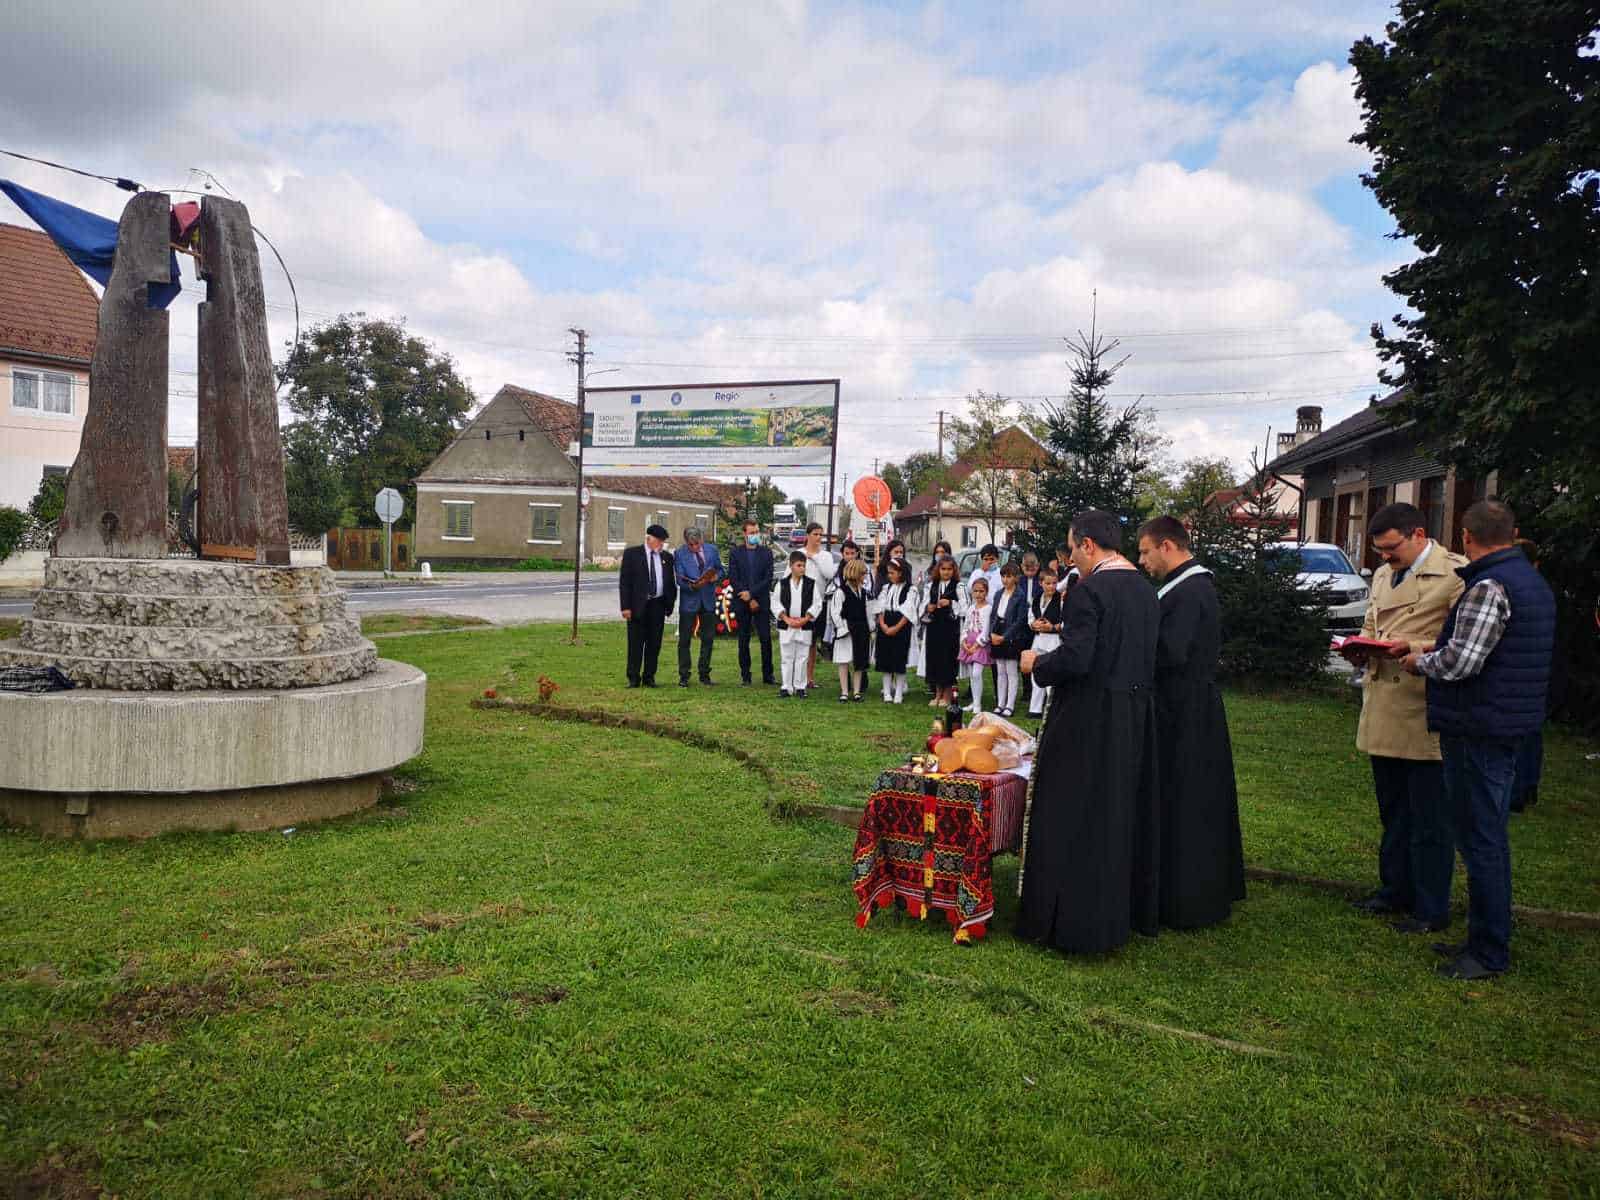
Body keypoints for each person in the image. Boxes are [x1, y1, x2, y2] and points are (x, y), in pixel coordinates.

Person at [1402, 499, 1556, 981]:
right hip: (1506, 723)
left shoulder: (1489, 585)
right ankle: (1481, 937)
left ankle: (1488, 950)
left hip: (1479, 728)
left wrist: (1418, 662)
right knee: (1485, 835)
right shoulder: (1531, 580)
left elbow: (1461, 662)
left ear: (1466, 536)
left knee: (1481, 839)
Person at [1018, 508, 1160, 955]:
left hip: (1089, 720)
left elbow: (1078, 659)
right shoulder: (1145, 589)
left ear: (1088, 545)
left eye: (1072, 547)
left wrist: (1037, 664)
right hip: (1133, 717)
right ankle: (1115, 916)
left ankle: (1070, 922)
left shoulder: (1088, 590)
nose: (1069, 559)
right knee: (1115, 814)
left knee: (1071, 813)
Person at [1339, 502, 1467, 936]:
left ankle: (1431, 907)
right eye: (1380, 552)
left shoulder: (1457, 574)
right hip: (1384, 704)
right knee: (1393, 810)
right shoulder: (1381, 574)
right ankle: (1393, 889)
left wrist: (1410, 645)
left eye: (1392, 549)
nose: (1386, 558)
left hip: (1422, 704)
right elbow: (1374, 623)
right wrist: (1363, 645)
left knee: (1429, 817)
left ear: (1417, 534)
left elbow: (1465, 641)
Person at [1136, 515, 1246, 930]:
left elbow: (1171, 652)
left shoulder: (1189, 590)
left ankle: (1188, 894)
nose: (1142, 560)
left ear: (1168, 546)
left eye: (1146, 551)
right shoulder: (1188, 587)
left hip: (1184, 709)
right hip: (1189, 703)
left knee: (1186, 798)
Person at [619, 523, 677, 688]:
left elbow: (670, 583)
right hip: (638, 605)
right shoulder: (632, 554)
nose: (661, 545)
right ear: (649, 539)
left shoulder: (667, 557)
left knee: (654, 643)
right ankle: (633, 677)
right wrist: (625, 607)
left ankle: (649, 676)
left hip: (657, 605)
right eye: (658, 541)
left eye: (663, 542)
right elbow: (625, 583)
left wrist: (669, 605)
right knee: (636, 643)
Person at [672, 525, 723, 687]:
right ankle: (684, 676)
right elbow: (679, 579)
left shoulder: (712, 550)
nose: (694, 547)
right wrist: (691, 586)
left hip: (707, 600)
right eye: (691, 545)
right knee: (684, 640)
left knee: (708, 639)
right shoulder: (680, 553)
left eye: (697, 544)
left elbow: (721, 570)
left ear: (701, 540)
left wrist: (716, 577)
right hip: (689, 602)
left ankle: (704, 674)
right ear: (686, 542)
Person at [729, 517, 776, 686]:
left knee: (765, 639)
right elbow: (733, 577)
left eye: (757, 532)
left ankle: (768, 675)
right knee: (743, 640)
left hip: (761, 602)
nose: (755, 535)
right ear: (744, 534)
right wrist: (747, 597)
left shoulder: (766, 553)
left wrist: (753, 595)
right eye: (751, 533)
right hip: (742, 602)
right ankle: (745, 676)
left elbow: (768, 578)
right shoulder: (736, 553)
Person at [772, 549, 823, 698]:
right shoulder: (782, 584)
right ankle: (786, 686)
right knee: (787, 656)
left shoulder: (811, 584)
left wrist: (806, 619)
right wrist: (786, 619)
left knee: (802, 656)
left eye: (804, 565)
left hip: (804, 624)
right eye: (799, 565)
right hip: (787, 624)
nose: (802, 568)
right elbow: (775, 602)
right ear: (791, 566)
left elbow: (817, 603)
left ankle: (800, 686)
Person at [988, 561, 1030, 717]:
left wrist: (1005, 637)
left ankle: (1010, 705)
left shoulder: (1020, 596)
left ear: (1016, 578)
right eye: (1003, 576)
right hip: (998, 630)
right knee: (1000, 671)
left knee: (1011, 671)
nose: (1005, 579)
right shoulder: (999, 593)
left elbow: (1020, 621)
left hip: (1011, 635)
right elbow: (994, 615)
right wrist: (991, 633)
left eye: (1009, 576)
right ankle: (1000, 702)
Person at [828, 557, 873, 702]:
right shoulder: (841, 592)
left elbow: (868, 611)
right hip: (847, 631)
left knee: (859, 661)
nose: (864, 576)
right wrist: (842, 628)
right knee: (844, 661)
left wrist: (871, 627)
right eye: (863, 573)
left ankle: (857, 691)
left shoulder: (864, 592)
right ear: (855, 574)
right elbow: (835, 612)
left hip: (861, 630)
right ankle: (844, 691)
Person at [922, 554, 963, 708]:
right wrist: (928, 607)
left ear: (954, 570)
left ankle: (947, 694)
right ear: (938, 570)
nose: (946, 572)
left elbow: (965, 608)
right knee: (935, 659)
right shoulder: (931, 585)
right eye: (943, 569)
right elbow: (923, 603)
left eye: (949, 569)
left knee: (948, 659)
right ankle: (937, 693)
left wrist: (951, 603)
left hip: (950, 628)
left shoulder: (958, 586)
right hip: (934, 627)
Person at [873, 557, 916, 703]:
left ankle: (898, 692)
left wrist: (896, 628)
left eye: (892, 573)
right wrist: (883, 625)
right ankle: (886, 692)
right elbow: (880, 606)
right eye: (888, 573)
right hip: (886, 622)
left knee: (899, 659)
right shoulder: (887, 588)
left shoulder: (911, 589)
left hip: (901, 625)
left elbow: (908, 610)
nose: (889, 575)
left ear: (901, 572)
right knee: (885, 659)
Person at [801, 522, 836, 689]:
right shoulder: (798, 553)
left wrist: (814, 557)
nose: (818, 538)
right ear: (808, 535)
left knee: (813, 642)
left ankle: (809, 677)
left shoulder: (826, 556)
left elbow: (829, 573)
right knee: (801, 641)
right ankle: (797, 676)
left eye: (820, 535)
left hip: (819, 603)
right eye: (815, 534)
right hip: (800, 603)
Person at [914, 539, 953, 690]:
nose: (939, 555)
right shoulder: (928, 574)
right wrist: (926, 607)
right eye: (937, 552)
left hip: (947, 621)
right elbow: (922, 593)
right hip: (931, 619)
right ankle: (932, 683)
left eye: (943, 552)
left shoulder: (953, 576)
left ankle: (946, 687)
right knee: (930, 652)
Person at [1026, 563, 1063, 717]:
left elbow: (1066, 622)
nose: (1051, 586)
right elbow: (1030, 617)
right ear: (1041, 583)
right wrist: (1033, 624)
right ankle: (1035, 709)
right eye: (1048, 583)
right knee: (1036, 673)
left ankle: (1052, 707)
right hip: (1038, 640)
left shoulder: (1061, 600)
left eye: (1054, 583)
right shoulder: (1036, 599)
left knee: (1052, 673)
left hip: (1053, 641)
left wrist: (1053, 627)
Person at [958, 575, 994, 713]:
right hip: (969, 643)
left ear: (986, 592)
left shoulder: (988, 609)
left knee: (977, 672)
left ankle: (978, 705)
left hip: (980, 645)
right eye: (975, 591)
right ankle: (975, 701)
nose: (978, 594)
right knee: (972, 675)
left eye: (981, 591)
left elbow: (985, 630)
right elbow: (966, 626)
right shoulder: (971, 608)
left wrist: (977, 645)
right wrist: (963, 641)